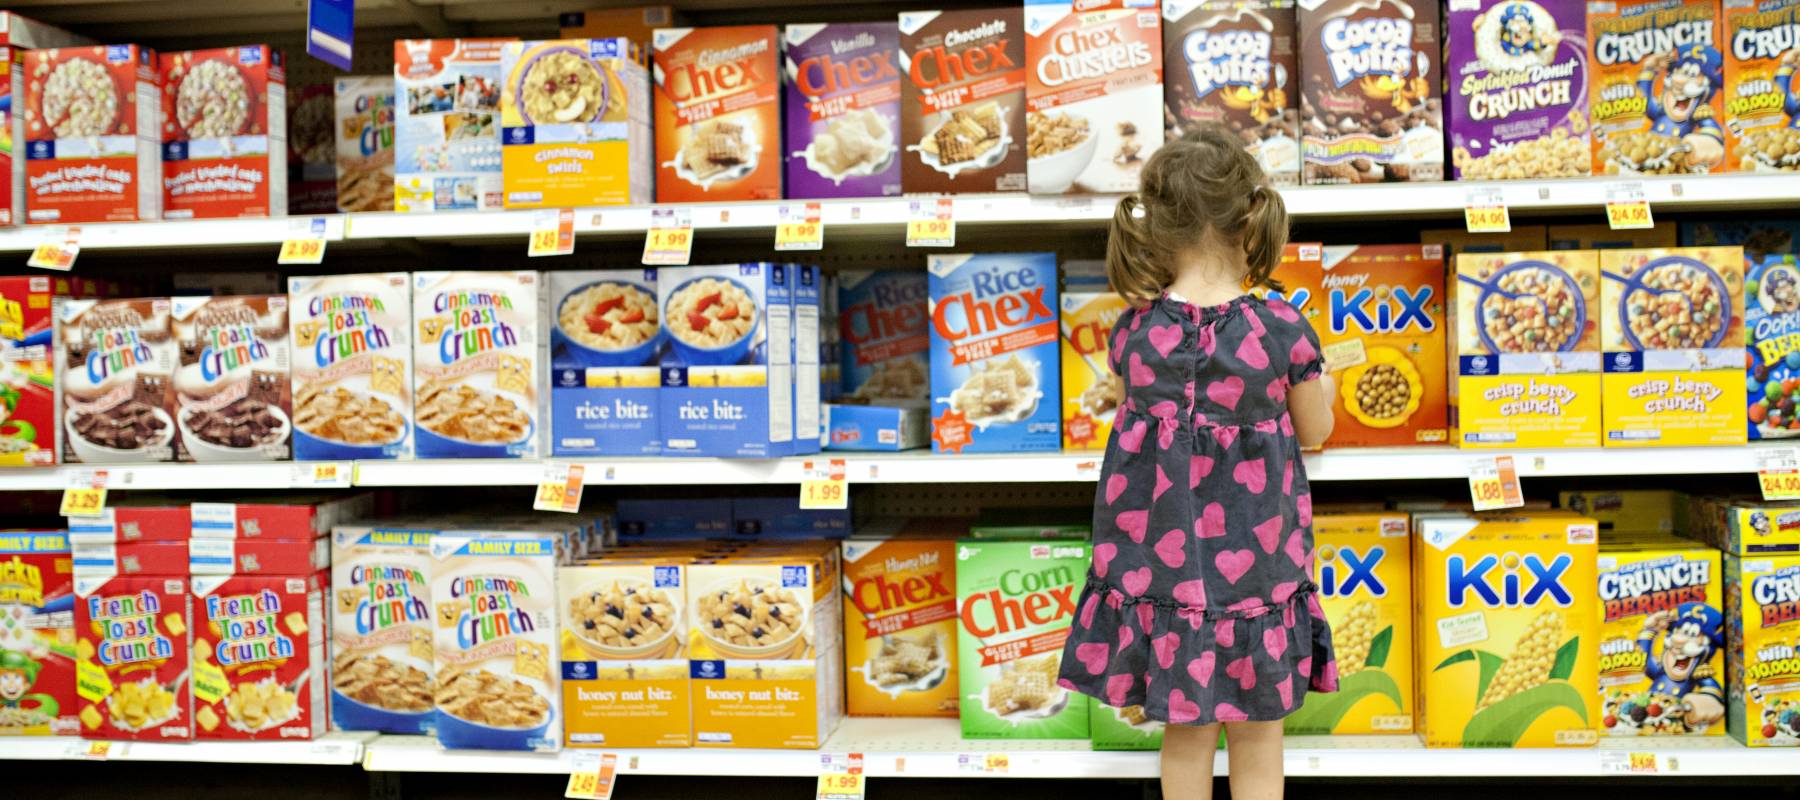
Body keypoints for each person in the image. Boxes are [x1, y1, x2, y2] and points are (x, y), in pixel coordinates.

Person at [1056, 125, 1338, 800]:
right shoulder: (1281, 330)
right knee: (1260, 738)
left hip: (1167, 579)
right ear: (1252, 218)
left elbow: (1140, 411)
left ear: (1155, 228)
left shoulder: (1134, 331)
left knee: (1184, 736)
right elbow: (1316, 431)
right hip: (1259, 577)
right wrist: (1320, 389)